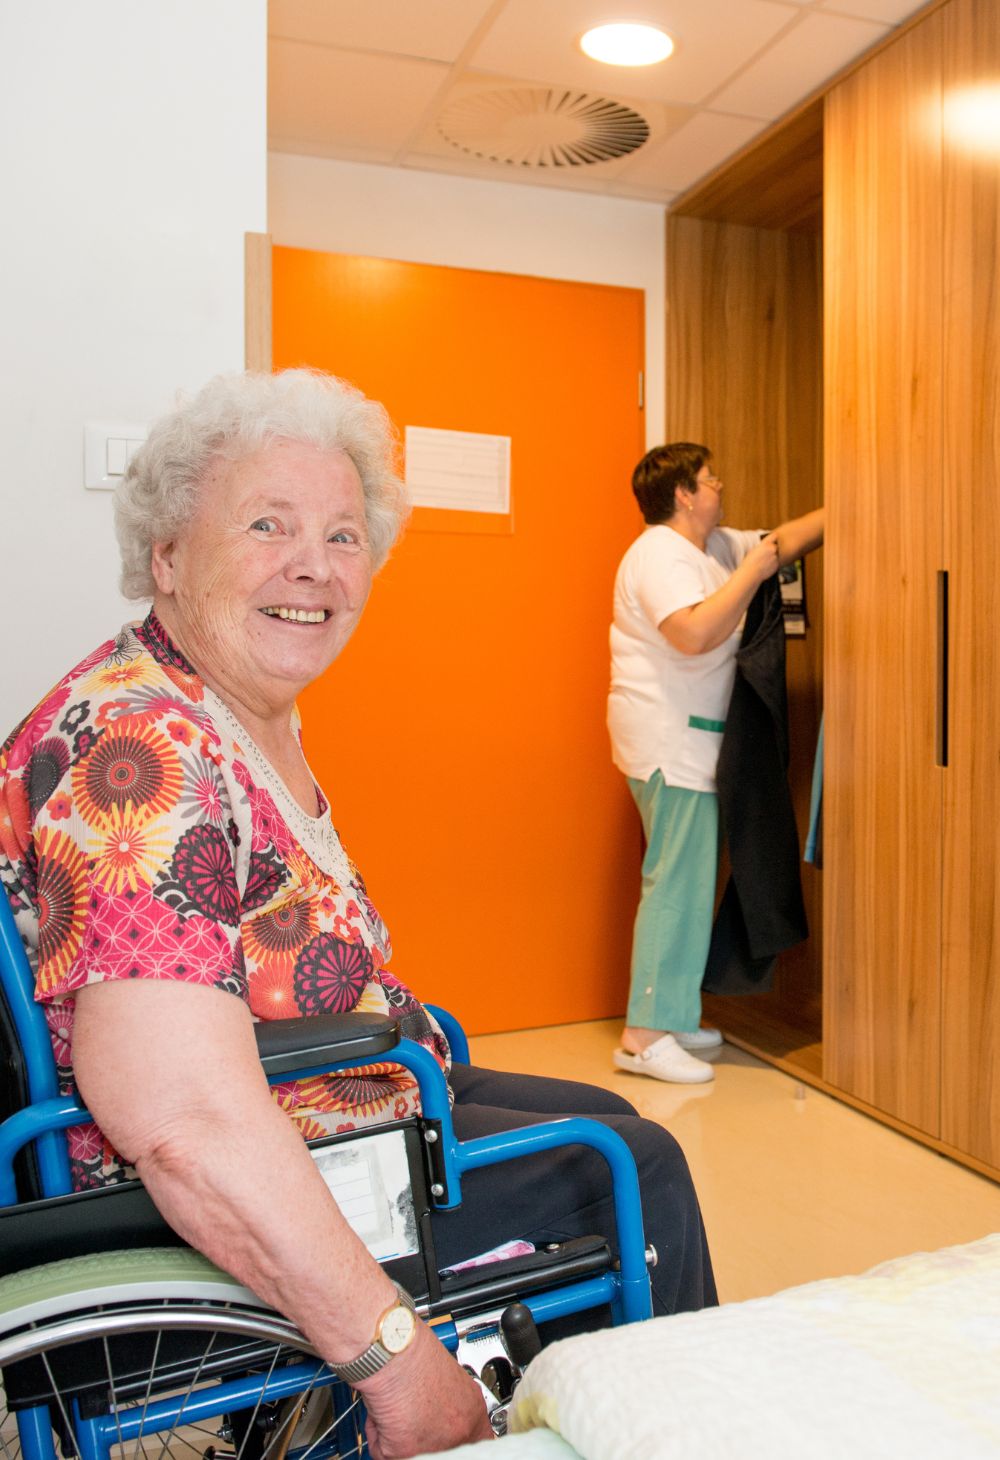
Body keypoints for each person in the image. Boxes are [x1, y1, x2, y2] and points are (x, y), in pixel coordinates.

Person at [0, 373, 716, 1460]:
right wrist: (397, 1362)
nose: (315, 565)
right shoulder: (143, 749)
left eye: (342, 535)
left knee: (601, 1115)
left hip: (341, 1091)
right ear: (167, 555)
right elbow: (183, 1120)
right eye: (267, 524)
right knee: (630, 1167)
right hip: (215, 1161)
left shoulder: (227, 707)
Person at [607, 442, 824, 1086]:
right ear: (683, 493)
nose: (720, 486)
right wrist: (752, 572)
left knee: (692, 881)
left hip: (694, 744)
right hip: (668, 743)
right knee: (676, 884)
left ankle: (671, 1014)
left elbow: (781, 542)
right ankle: (645, 1036)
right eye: (710, 479)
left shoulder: (713, 547)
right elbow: (693, 633)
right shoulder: (658, 553)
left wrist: (850, 504)